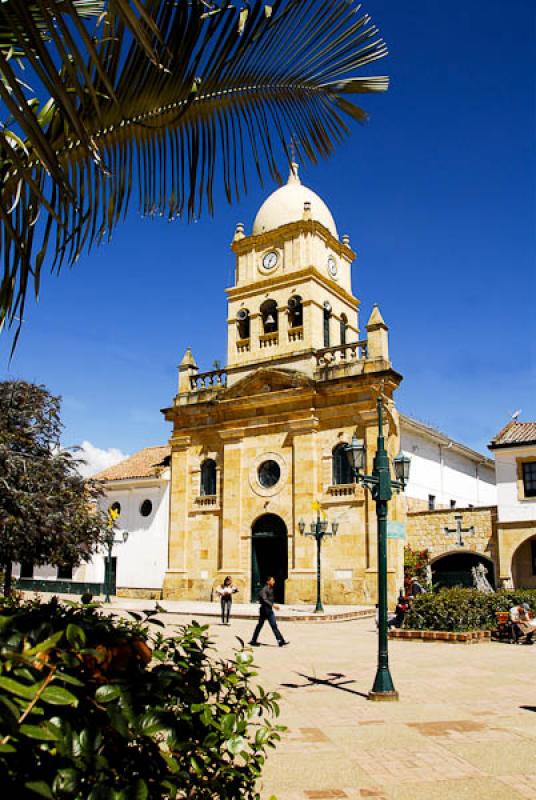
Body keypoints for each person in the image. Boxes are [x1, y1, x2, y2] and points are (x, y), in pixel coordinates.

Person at [249, 576, 289, 647]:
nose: (274, 582)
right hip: (264, 610)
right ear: (268, 582)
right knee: (262, 625)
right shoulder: (264, 589)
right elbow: (264, 599)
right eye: (272, 580)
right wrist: (273, 605)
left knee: (272, 625)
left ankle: (280, 641)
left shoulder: (270, 589)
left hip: (268, 610)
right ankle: (253, 640)